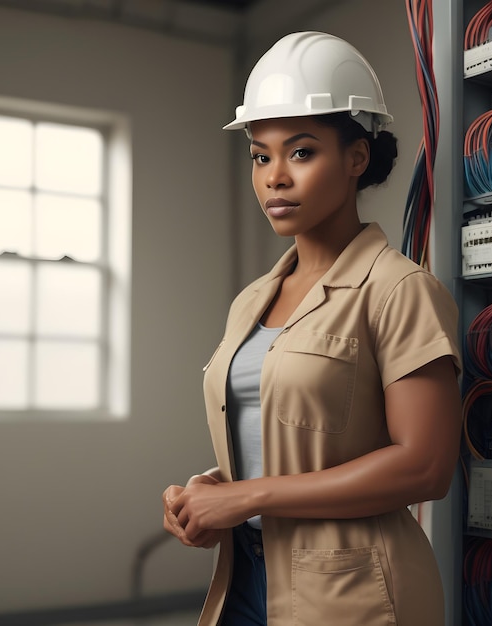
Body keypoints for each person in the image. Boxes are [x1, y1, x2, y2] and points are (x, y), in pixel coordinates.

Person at [163, 31, 462, 626]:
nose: (275, 176)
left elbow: (425, 465)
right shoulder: (253, 300)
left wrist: (244, 497)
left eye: (301, 152)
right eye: (260, 155)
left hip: (353, 592)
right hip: (247, 576)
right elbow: (297, 441)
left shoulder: (399, 290)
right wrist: (209, 491)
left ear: (357, 158)